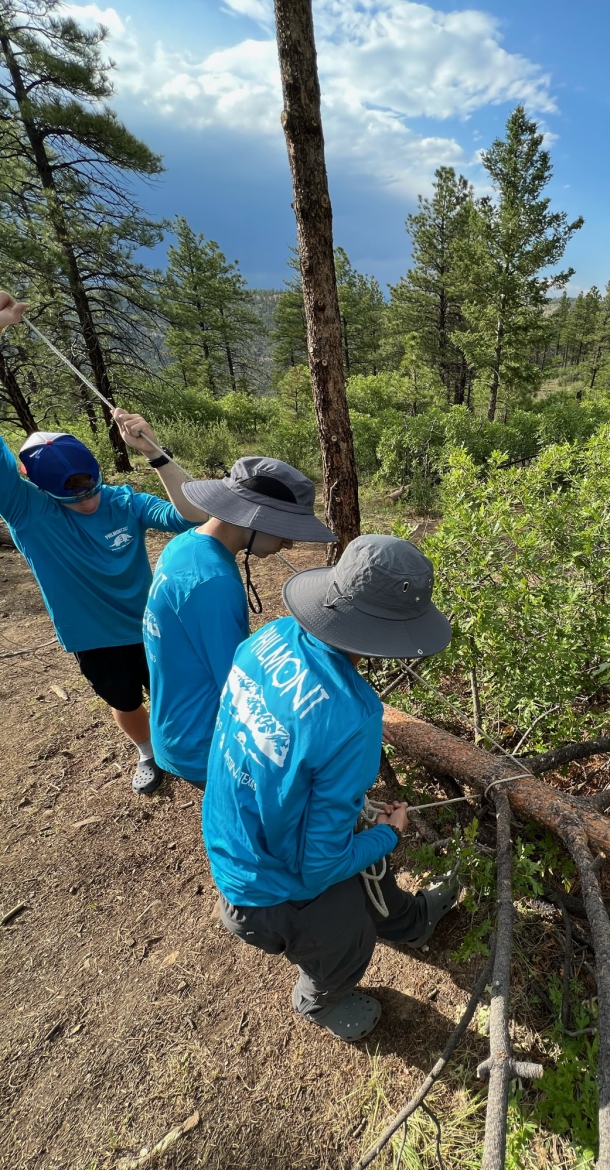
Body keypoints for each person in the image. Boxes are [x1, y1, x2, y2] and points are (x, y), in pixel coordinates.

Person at [203, 534, 457, 1041]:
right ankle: (320, 999)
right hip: (265, 889)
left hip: (231, 837)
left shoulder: (269, 637)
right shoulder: (353, 715)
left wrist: (362, 823)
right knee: (349, 935)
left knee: (363, 859)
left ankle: (409, 922)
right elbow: (320, 866)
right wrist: (389, 834)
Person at [0, 291, 208, 794]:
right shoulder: (27, 510)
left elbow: (195, 516)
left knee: (177, 691)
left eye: (90, 486)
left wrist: (155, 452)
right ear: (39, 488)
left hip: (152, 623)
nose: (87, 500)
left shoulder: (123, 501)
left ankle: (186, 744)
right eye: (71, 495)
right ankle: (147, 753)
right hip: (93, 637)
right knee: (124, 701)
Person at [141, 454, 337, 787]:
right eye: (285, 529)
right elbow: (241, 689)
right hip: (208, 742)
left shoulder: (185, 545)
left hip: (175, 724)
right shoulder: (214, 581)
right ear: (254, 517)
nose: (289, 543)